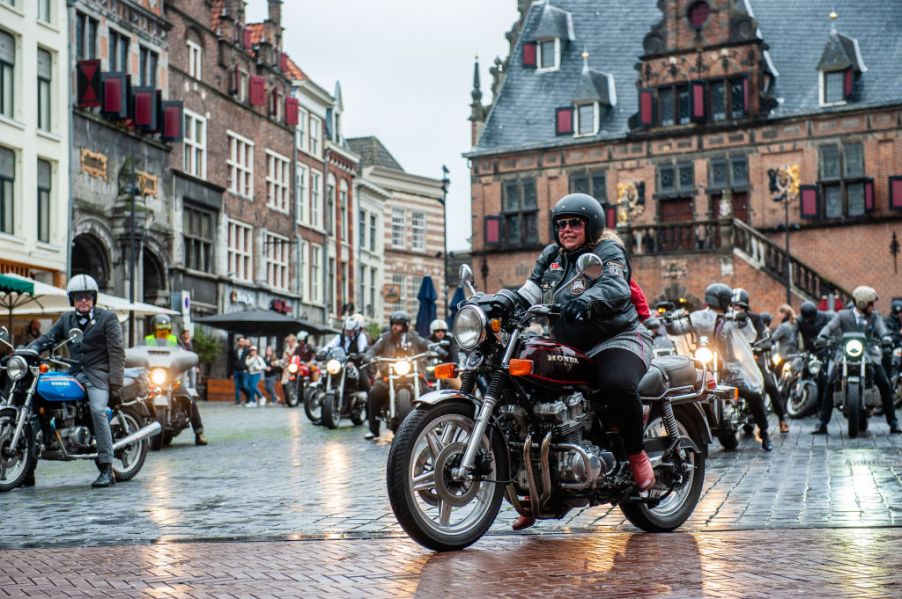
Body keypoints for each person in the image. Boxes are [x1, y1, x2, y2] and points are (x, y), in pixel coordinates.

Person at [503, 193, 655, 530]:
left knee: (616, 383)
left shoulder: (608, 251)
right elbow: (530, 291)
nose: (567, 229)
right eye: (562, 224)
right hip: (569, 344)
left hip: (617, 338)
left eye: (575, 223)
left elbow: (615, 287)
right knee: (527, 399)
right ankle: (535, 491)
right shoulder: (551, 256)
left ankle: (636, 454)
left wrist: (587, 300)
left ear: (591, 225)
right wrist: (499, 302)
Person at [28, 274, 123, 488]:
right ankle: (27, 470)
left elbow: (117, 352)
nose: (83, 301)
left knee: (98, 411)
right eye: (78, 297)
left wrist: (115, 384)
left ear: (94, 298)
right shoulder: (67, 319)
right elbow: (48, 338)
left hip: (98, 375)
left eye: (87, 296)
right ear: (72, 299)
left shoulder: (107, 318)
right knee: (38, 404)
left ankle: (107, 468)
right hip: (74, 374)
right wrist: (31, 348)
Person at [813, 286, 901, 434]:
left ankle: (893, 422)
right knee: (829, 383)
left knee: (885, 384)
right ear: (862, 303)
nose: (873, 306)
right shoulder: (842, 315)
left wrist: (885, 337)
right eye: (871, 303)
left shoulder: (875, 316)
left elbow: (881, 328)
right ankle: (822, 423)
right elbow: (829, 326)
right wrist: (822, 336)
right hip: (845, 352)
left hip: (869, 352)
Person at [705, 283, 773, 451]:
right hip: (711, 367)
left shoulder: (734, 318)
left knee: (754, 395)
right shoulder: (706, 318)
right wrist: (671, 320)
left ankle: (764, 432)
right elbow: (687, 325)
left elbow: (751, 334)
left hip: (737, 368)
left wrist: (743, 320)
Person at [363, 311, 428, 440]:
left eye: (398, 324)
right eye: (393, 324)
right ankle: (373, 430)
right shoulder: (385, 337)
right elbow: (374, 348)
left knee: (428, 393)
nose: (394, 327)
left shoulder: (414, 336)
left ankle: (433, 424)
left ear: (405, 325)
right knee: (374, 392)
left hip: (412, 375)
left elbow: (425, 343)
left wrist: (435, 349)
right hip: (389, 376)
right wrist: (369, 356)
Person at [731, 288, 788, 433]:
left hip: (754, 357)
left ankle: (782, 418)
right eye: (733, 306)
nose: (737, 310)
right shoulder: (727, 318)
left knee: (769, 384)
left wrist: (764, 344)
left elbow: (764, 334)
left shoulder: (755, 318)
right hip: (733, 359)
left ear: (745, 307)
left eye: (740, 307)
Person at [177, 328, 207, 446]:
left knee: (189, 399)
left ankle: (199, 432)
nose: (161, 331)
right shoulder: (148, 342)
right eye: (159, 328)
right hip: (154, 379)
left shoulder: (174, 342)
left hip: (172, 379)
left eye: (164, 328)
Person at [232, 336, 251, 405]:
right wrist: (232, 372)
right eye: (241, 341)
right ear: (238, 342)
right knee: (237, 386)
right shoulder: (235, 351)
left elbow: (250, 359)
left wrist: (247, 368)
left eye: (243, 341)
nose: (242, 342)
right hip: (236, 371)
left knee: (245, 385)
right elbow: (232, 361)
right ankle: (238, 400)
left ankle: (249, 397)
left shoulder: (247, 350)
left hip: (244, 371)